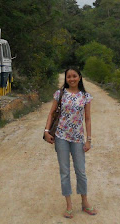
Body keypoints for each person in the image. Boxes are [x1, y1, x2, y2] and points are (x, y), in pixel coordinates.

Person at [44, 67, 97, 219]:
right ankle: (68, 205)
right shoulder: (60, 94)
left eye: (74, 76)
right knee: (65, 171)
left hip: (78, 138)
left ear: (79, 77)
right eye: (69, 76)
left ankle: (85, 202)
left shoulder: (85, 96)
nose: (72, 79)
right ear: (66, 79)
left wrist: (88, 140)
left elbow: (87, 119)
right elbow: (51, 113)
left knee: (81, 171)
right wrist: (46, 131)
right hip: (61, 137)